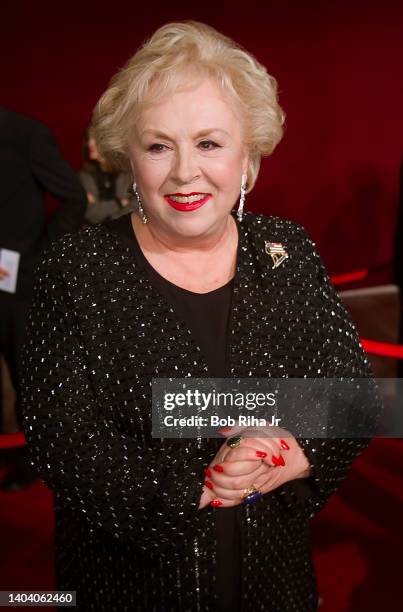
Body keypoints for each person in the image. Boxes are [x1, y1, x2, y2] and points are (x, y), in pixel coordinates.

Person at [21, 22, 379, 611]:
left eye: (209, 143)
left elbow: (355, 395)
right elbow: (60, 438)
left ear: (248, 158)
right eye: (159, 145)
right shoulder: (77, 267)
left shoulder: (286, 252)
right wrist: (201, 485)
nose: (185, 171)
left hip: (273, 573)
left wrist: (298, 449)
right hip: (131, 581)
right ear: (128, 160)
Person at [0, 107, 86, 489]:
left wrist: (37, 255)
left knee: (26, 376)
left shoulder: (25, 133)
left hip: (15, 283)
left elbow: (73, 198)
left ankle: (32, 461)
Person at [79, 125, 136, 224]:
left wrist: (108, 217)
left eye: (96, 138)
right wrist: (120, 202)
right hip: (96, 236)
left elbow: (136, 207)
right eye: (88, 138)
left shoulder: (129, 173)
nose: (90, 144)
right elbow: (90, 213)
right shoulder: (84, 176)